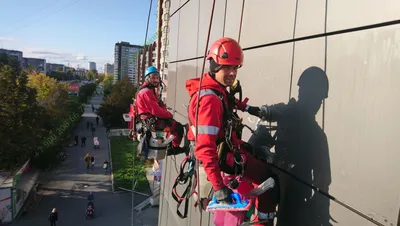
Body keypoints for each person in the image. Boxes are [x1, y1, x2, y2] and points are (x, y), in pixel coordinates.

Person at [185, 37, 279, 226]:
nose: (232, 73)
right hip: (223, 159)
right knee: (269, 180)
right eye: (227, 67)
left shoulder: (214, 89)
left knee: (254, 153)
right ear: (213, 65)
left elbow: (228, 100)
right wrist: (219, 187)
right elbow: (205, 148)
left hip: (227, 150)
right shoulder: (209, 101)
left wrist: (249, 109)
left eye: (235, 68)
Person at [135, 66, 185, 155]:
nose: (156, 80)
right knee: (178, 127)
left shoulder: (148, 90)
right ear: (147, 79)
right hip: (152, 121)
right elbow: (156, 111)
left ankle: (171, 146)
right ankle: (174, 148)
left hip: (150, 120)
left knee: (171, 124)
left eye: (157, 78)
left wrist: (162, 107)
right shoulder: (146, 92)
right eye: (153, 78)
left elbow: (158, 105)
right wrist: (169, 115)